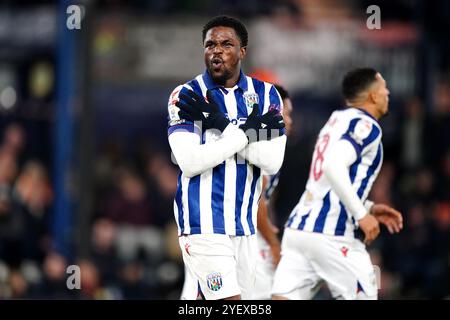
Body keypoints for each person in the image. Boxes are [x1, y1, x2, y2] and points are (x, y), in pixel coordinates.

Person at [167, 15, 286, 300]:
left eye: (226, 44)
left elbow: (271, 161)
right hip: (202, 222)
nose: (216, 50)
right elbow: (190, 162)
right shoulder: (186, 95)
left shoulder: (266, 94)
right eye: (210, 45)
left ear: (242, 51)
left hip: (244, 227)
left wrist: (219, 124)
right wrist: (245, 133)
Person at [271, 68, 403, 300]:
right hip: (333, 234)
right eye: (383, 88)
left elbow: (326, 179)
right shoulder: (366, 126)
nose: (388, 93)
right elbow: (333, 167)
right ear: (372, 95)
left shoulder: (335, 121)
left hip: (299, 231)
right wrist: (361, 213)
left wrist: (369, 205)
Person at [254, 84, 293, 300]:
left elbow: (266, 201)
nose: (290, 121)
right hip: (241, 238)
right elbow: (255, 202)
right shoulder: (260, 145)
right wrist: (273, 243)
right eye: (286, 113)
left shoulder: (273, 146)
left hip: (251, 236)